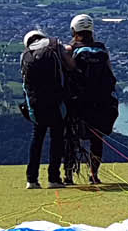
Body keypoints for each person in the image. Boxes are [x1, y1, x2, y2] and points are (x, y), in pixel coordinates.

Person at [66, 13, 120, 187]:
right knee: (97, 139)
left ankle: (68, 175)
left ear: (74, 30)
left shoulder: (71, 49)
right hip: (101, 103)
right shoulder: (101, 49)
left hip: (78, 103)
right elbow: (110, 75)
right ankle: (94, 174)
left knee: (71, 138)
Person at [19, 28, 71, 189]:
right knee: (56, 139)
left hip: (36, 105)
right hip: (56, 102)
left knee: (37, 139)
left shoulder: (25, 55)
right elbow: (70, 64)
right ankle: (54, 178)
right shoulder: (53, 46)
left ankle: (31, 179)